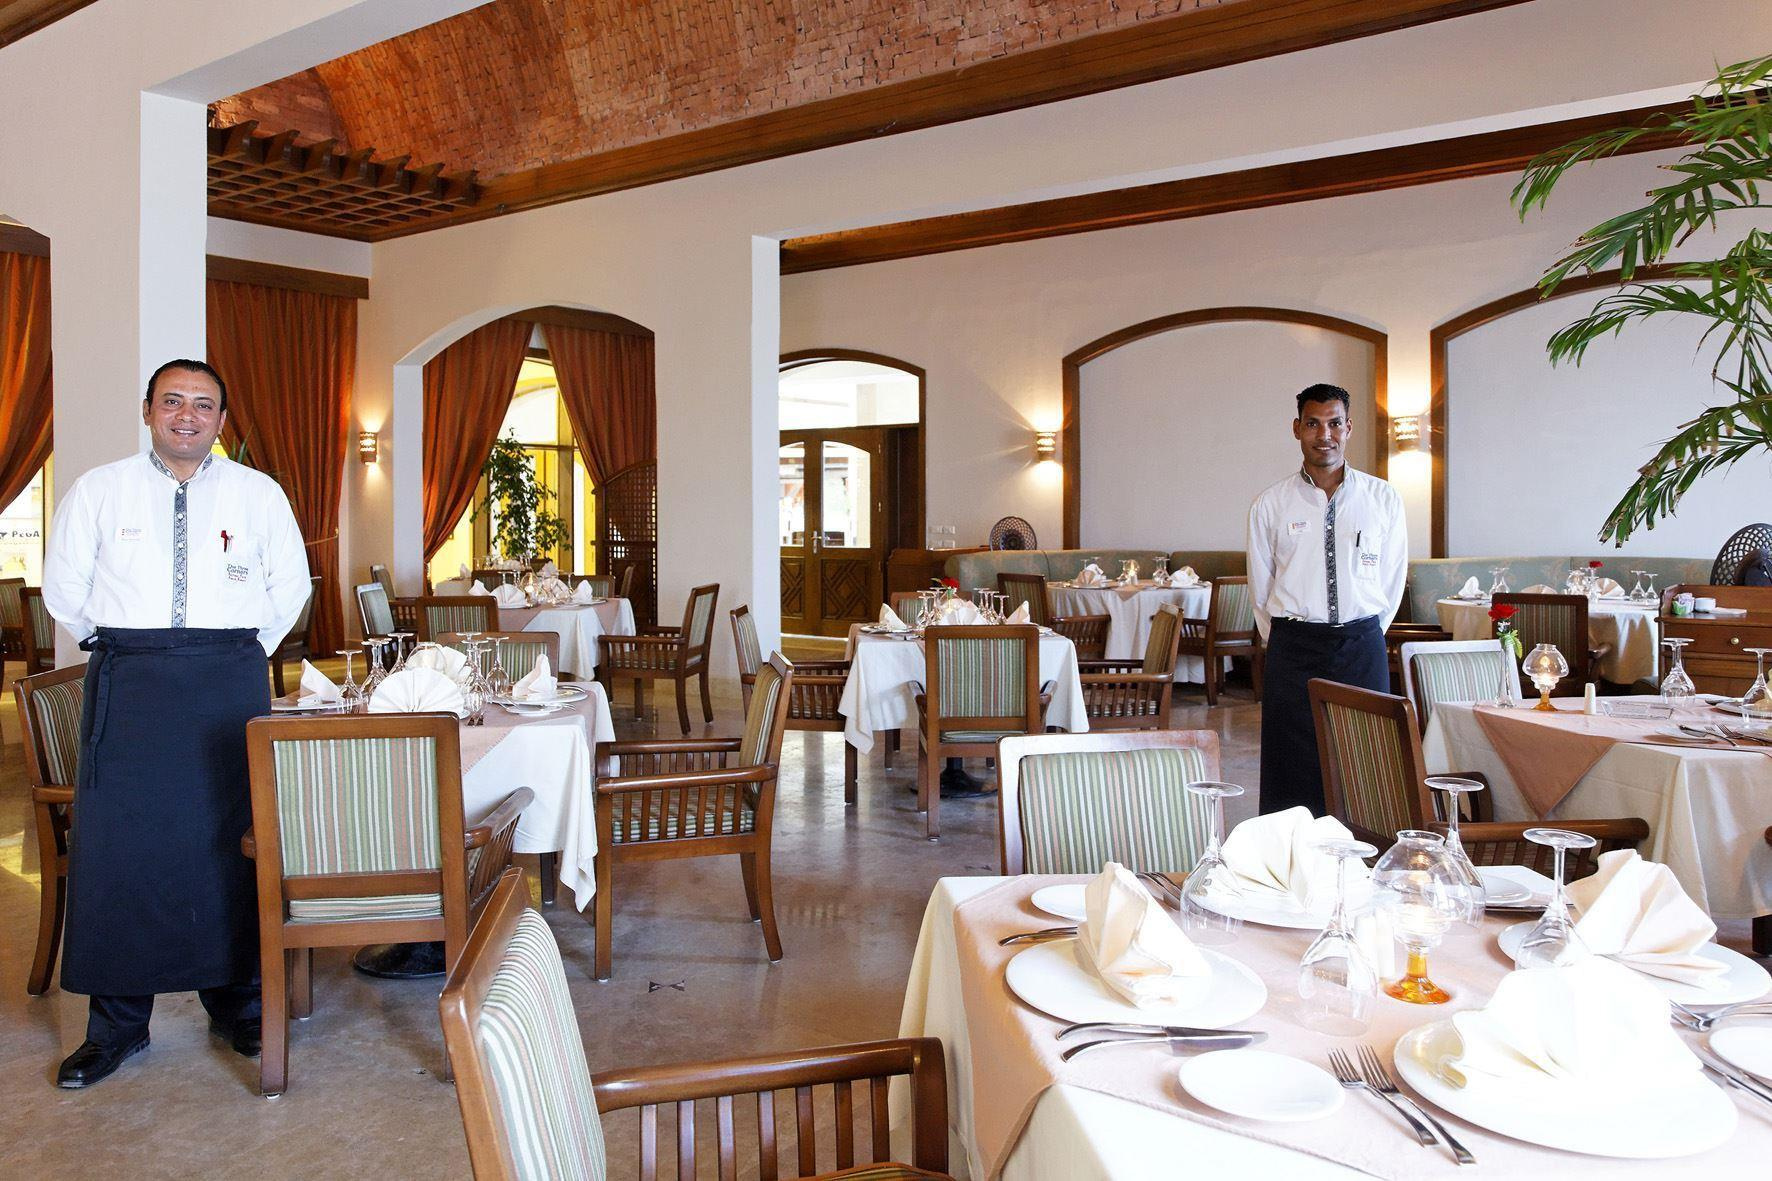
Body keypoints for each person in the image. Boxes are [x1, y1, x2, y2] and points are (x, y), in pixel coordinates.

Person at [42, 359, 310, 1088]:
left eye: (202, 404)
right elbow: (64, 589)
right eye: (172, 401)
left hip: (227, 682)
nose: (186, 415)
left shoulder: (258, 494)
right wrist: (127, 647)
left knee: (233, 840)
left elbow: (290, 587)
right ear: (148, 410)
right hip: (131, 684)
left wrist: (239, 652)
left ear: (220, 419)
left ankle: (242, 1006)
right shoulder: (100, 489)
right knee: (121, 850)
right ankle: (117, 1027)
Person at [1246, 383, 1407, 816]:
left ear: (1348, 427)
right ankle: (1291, 849)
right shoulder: (1270, 504)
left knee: (1367, 757)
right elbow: (1261, 588)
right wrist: (1288, 637)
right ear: (1297, 429)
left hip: (1361, 645)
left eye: (1334, 424)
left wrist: (1363, 630)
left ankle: (1366, 847)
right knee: (1291, 766)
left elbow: (1392, 579)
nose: (1325, 435)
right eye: (1313, 424)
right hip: (1293, 649)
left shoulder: (1383, 498)